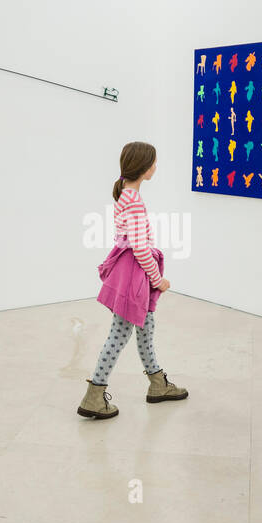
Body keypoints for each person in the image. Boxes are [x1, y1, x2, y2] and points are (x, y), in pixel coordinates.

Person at [77, 141, 189, 419]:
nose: (155, 166)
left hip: (128, 272)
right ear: (143, 167)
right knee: (119, 334)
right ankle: (94, 395)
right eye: (153, 162)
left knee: (146, 328)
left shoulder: (124, 195)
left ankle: (157, 384)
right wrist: (158, 279)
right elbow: (139, 247)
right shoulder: (135, 201)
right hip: (135, 275)